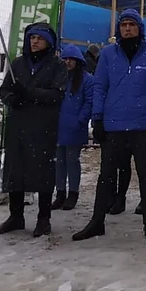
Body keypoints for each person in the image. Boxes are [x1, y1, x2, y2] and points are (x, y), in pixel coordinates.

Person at [73, 9, 146, 242]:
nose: (127, 28)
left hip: (141, 124)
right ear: (119, 29)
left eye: (132, 25)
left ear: (139, 29)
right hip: (113, 123)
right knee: (106, 175)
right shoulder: (107, 54)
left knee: (145, 175)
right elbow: (100, 86)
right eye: (123, 24)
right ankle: (97, 221)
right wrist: (98, 117)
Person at [0, 23, 67, 237]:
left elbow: (56, 94)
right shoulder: (18, 64)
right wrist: (12, 97)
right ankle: (16, 216)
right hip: (18, 125)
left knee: (42, 171)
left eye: (40, 38)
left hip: (43, 127)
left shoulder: (57, 66)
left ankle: (44, 219)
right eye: (32, 37)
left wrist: (29, 93)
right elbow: (5, 90)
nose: (34, 42)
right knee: (15, 170)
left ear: (48, 42)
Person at [51, 45, 94, 211]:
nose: (67, 62)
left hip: (75, 127)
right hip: (59, 125)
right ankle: (60, 192)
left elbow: (89, 102)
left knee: (72, 161)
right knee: (58, 161)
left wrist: (80, 120)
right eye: (65, 59)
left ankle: (73, 193)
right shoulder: (59, 78)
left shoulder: (87, 80)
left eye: (70, 59)